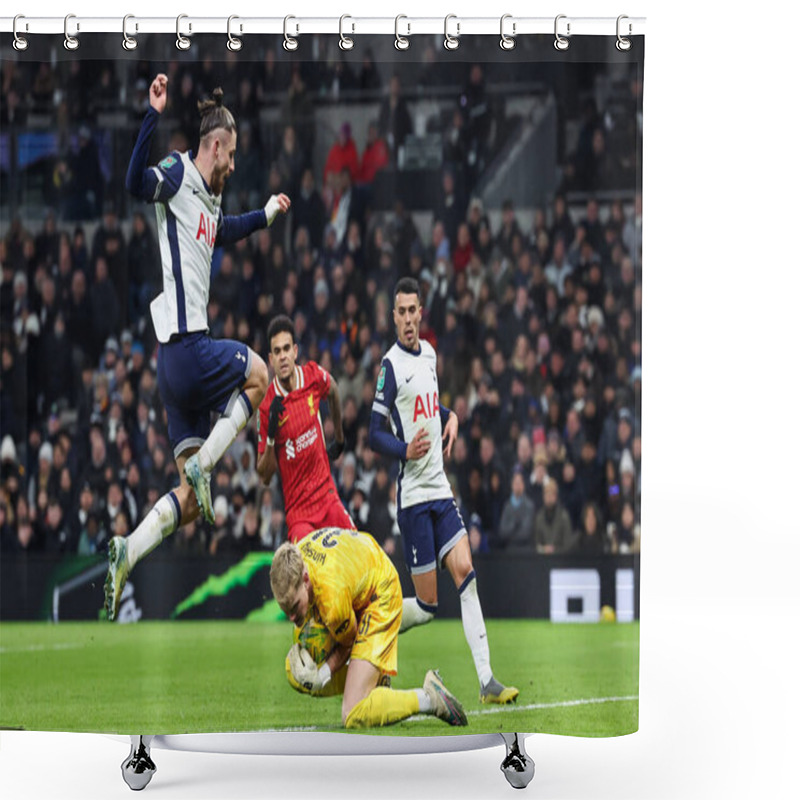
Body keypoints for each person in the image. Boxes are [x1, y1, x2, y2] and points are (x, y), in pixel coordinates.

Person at [104, 74, 291, 621]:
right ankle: (208, 463)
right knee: (261, 375)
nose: (233, 164)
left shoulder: (206, 201)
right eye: (230, 154)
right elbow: (136, 182)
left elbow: (224, 229)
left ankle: (128, 550)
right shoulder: (181, 173)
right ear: (214, 146)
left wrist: (267, 215)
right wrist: (151, 115)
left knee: (189, 503)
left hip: (173, 370)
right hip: (188, 348)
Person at [368, 277, 518, 705]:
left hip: (440, 489)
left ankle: (487, 682)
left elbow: (431, 406)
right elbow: (375, 432)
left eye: (414, 310)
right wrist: (404, 449)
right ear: (393, 316)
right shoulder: (389, 366)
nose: (409, 318)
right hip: (414, 498)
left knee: (467, 576)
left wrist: (450, 417)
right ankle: (378, 627)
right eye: (402, 312)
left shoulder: (430, 354)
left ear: (421, 312)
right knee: (428, 606)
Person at [270, 529, 467, 729]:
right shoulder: (296, 554)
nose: (292, 618)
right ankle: (374, 682)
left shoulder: (332, 601)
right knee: (295, 672)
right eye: (285, 609)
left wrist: (322, 676)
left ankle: (429, 698)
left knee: (353, 713)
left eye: (294, 607)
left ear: (305, 580)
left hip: (381, 593)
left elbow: (348, 644)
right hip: (361, 575)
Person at [256, 315, 354, 543]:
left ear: (295, 351)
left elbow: (334, 390)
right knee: (305, 576)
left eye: (286, 349)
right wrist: (271, 435)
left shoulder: (311, 375)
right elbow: (265, 476)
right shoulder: (267, 405)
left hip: (327, 497)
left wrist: (339, 440)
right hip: (299, 515)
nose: (282, 356)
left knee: (358, 557)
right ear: (271, 359)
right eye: (277, 351)